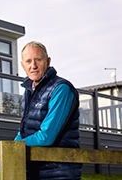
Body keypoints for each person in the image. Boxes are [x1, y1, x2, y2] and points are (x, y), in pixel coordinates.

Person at [15, 41, 82, 180]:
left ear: (48, 61)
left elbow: (47, 136)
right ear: (22, 65)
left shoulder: (61, 89)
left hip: (59, 173)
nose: (33, 66)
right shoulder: (28, 91)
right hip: (34, 170)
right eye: (28, 61)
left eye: (38, 60)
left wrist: (14, 147)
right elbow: (24, 130)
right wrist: (11, 145)